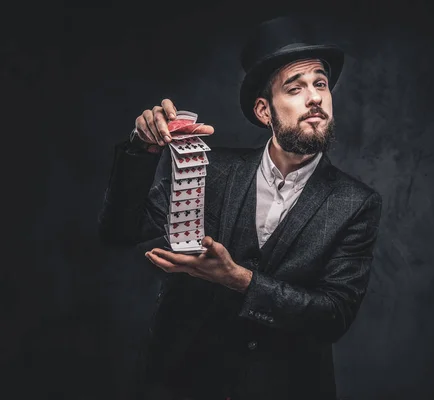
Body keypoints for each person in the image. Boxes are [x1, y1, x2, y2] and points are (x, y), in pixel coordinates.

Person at [98, 15, 382, 400]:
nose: (315, 97)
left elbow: (332, 316)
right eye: (295, 88)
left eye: (320, 84)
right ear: (265, 112)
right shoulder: (211, 169)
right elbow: (121, 233)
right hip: (184, 383)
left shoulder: (356, 202)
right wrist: (142, 149)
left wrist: (239, 279)